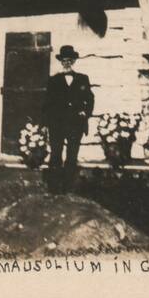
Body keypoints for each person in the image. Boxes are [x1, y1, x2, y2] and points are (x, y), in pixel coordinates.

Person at [42, 45, 94, 192]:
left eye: (69, 60)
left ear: (73, 61)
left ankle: (69, 186)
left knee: (72, 154)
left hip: (75, 123)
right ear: (61, 62)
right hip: (57, 123)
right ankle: (54, 186)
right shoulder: (54, 80)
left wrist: (86, 112)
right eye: (64, 60)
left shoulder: (83, 79)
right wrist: (47, 121)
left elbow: (90, 99)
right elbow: (48, 101)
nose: (67, 63)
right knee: (56, 153)